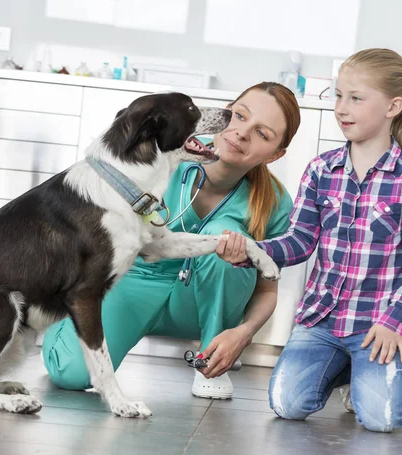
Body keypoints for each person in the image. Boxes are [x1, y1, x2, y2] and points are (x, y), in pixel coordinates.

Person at [222, 48, 402, 432]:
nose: (342, 108)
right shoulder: (322, 169)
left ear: (393, 106)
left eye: (356, 98)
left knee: (382, 420)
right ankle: (347, 370)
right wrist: (254, 252)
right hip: (322, 320)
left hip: (378, 323)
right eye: (338, 95)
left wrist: (394, 321)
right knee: (286, 404)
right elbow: (300, 241)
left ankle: (364, 368)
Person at [41, 82, 301, 400]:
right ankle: (64, 322)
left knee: (226, 233)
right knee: (70, 373)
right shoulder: (164, 150)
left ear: (276, 154)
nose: (242, 132)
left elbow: (267, 291)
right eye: (239, 115)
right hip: (131, 283)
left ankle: (211, 361)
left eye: (263, 134)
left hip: (196, 304)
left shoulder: (274, 202)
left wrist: (243, 334)